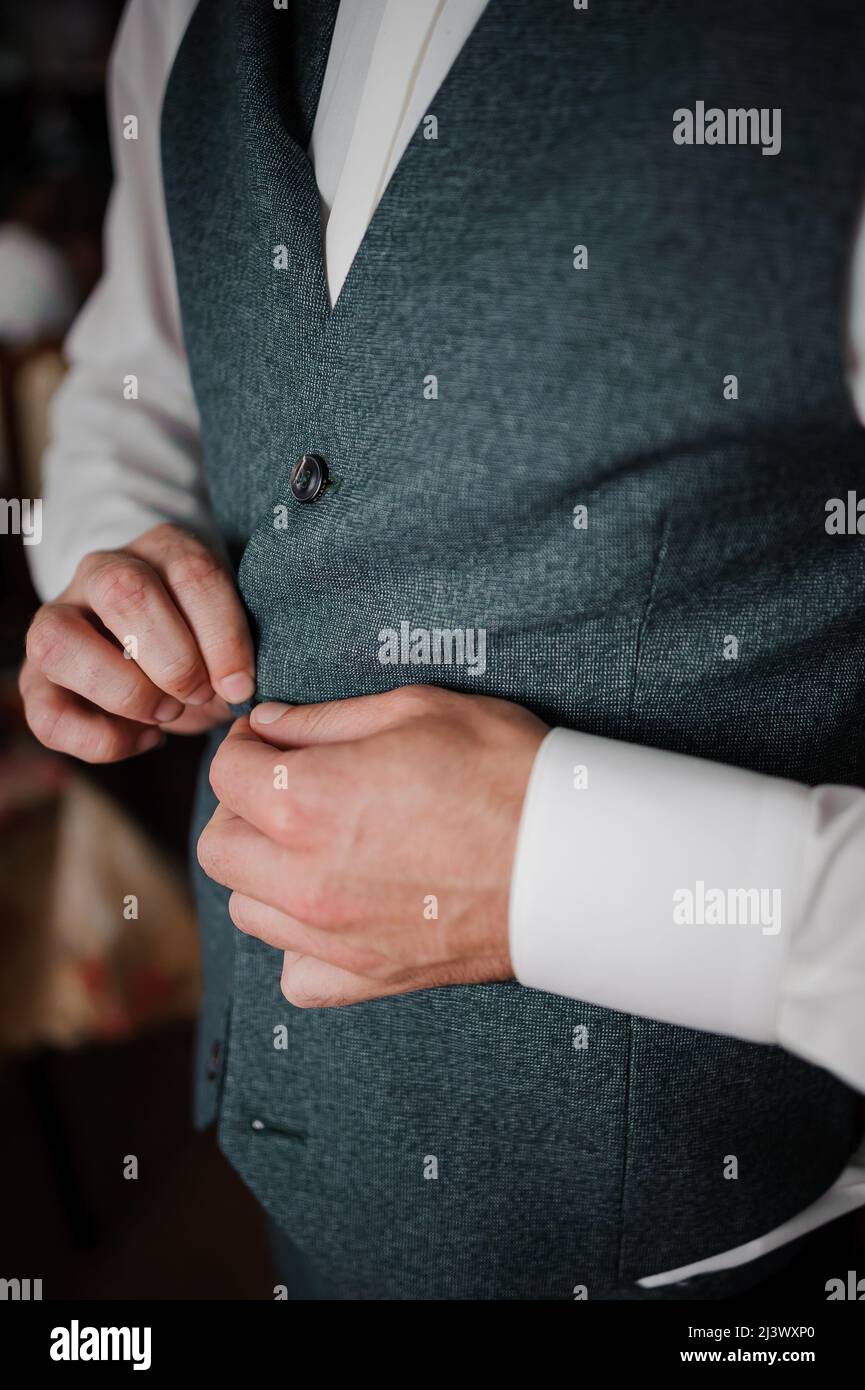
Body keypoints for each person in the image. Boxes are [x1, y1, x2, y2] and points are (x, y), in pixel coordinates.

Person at [21, 0, 865, 1299]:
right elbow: (142, 372)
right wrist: (111, 552)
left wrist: (566, 872)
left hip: (711, 1254)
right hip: (294, 1158)